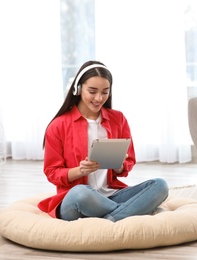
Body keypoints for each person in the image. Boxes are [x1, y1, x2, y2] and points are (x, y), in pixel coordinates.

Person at [38, 60, 169, 222]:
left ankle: (109, 220)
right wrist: (80, 171)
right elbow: (52, 172)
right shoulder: (58, 125)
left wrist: (119, 164)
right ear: (78, 89)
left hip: (110, 196)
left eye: (105, 92)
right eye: (92, 91)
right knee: (80, 192)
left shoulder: (118, 119)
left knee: (159, 186)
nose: (99, 98)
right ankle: (132, 212)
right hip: (76, 200)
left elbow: (128, 163)